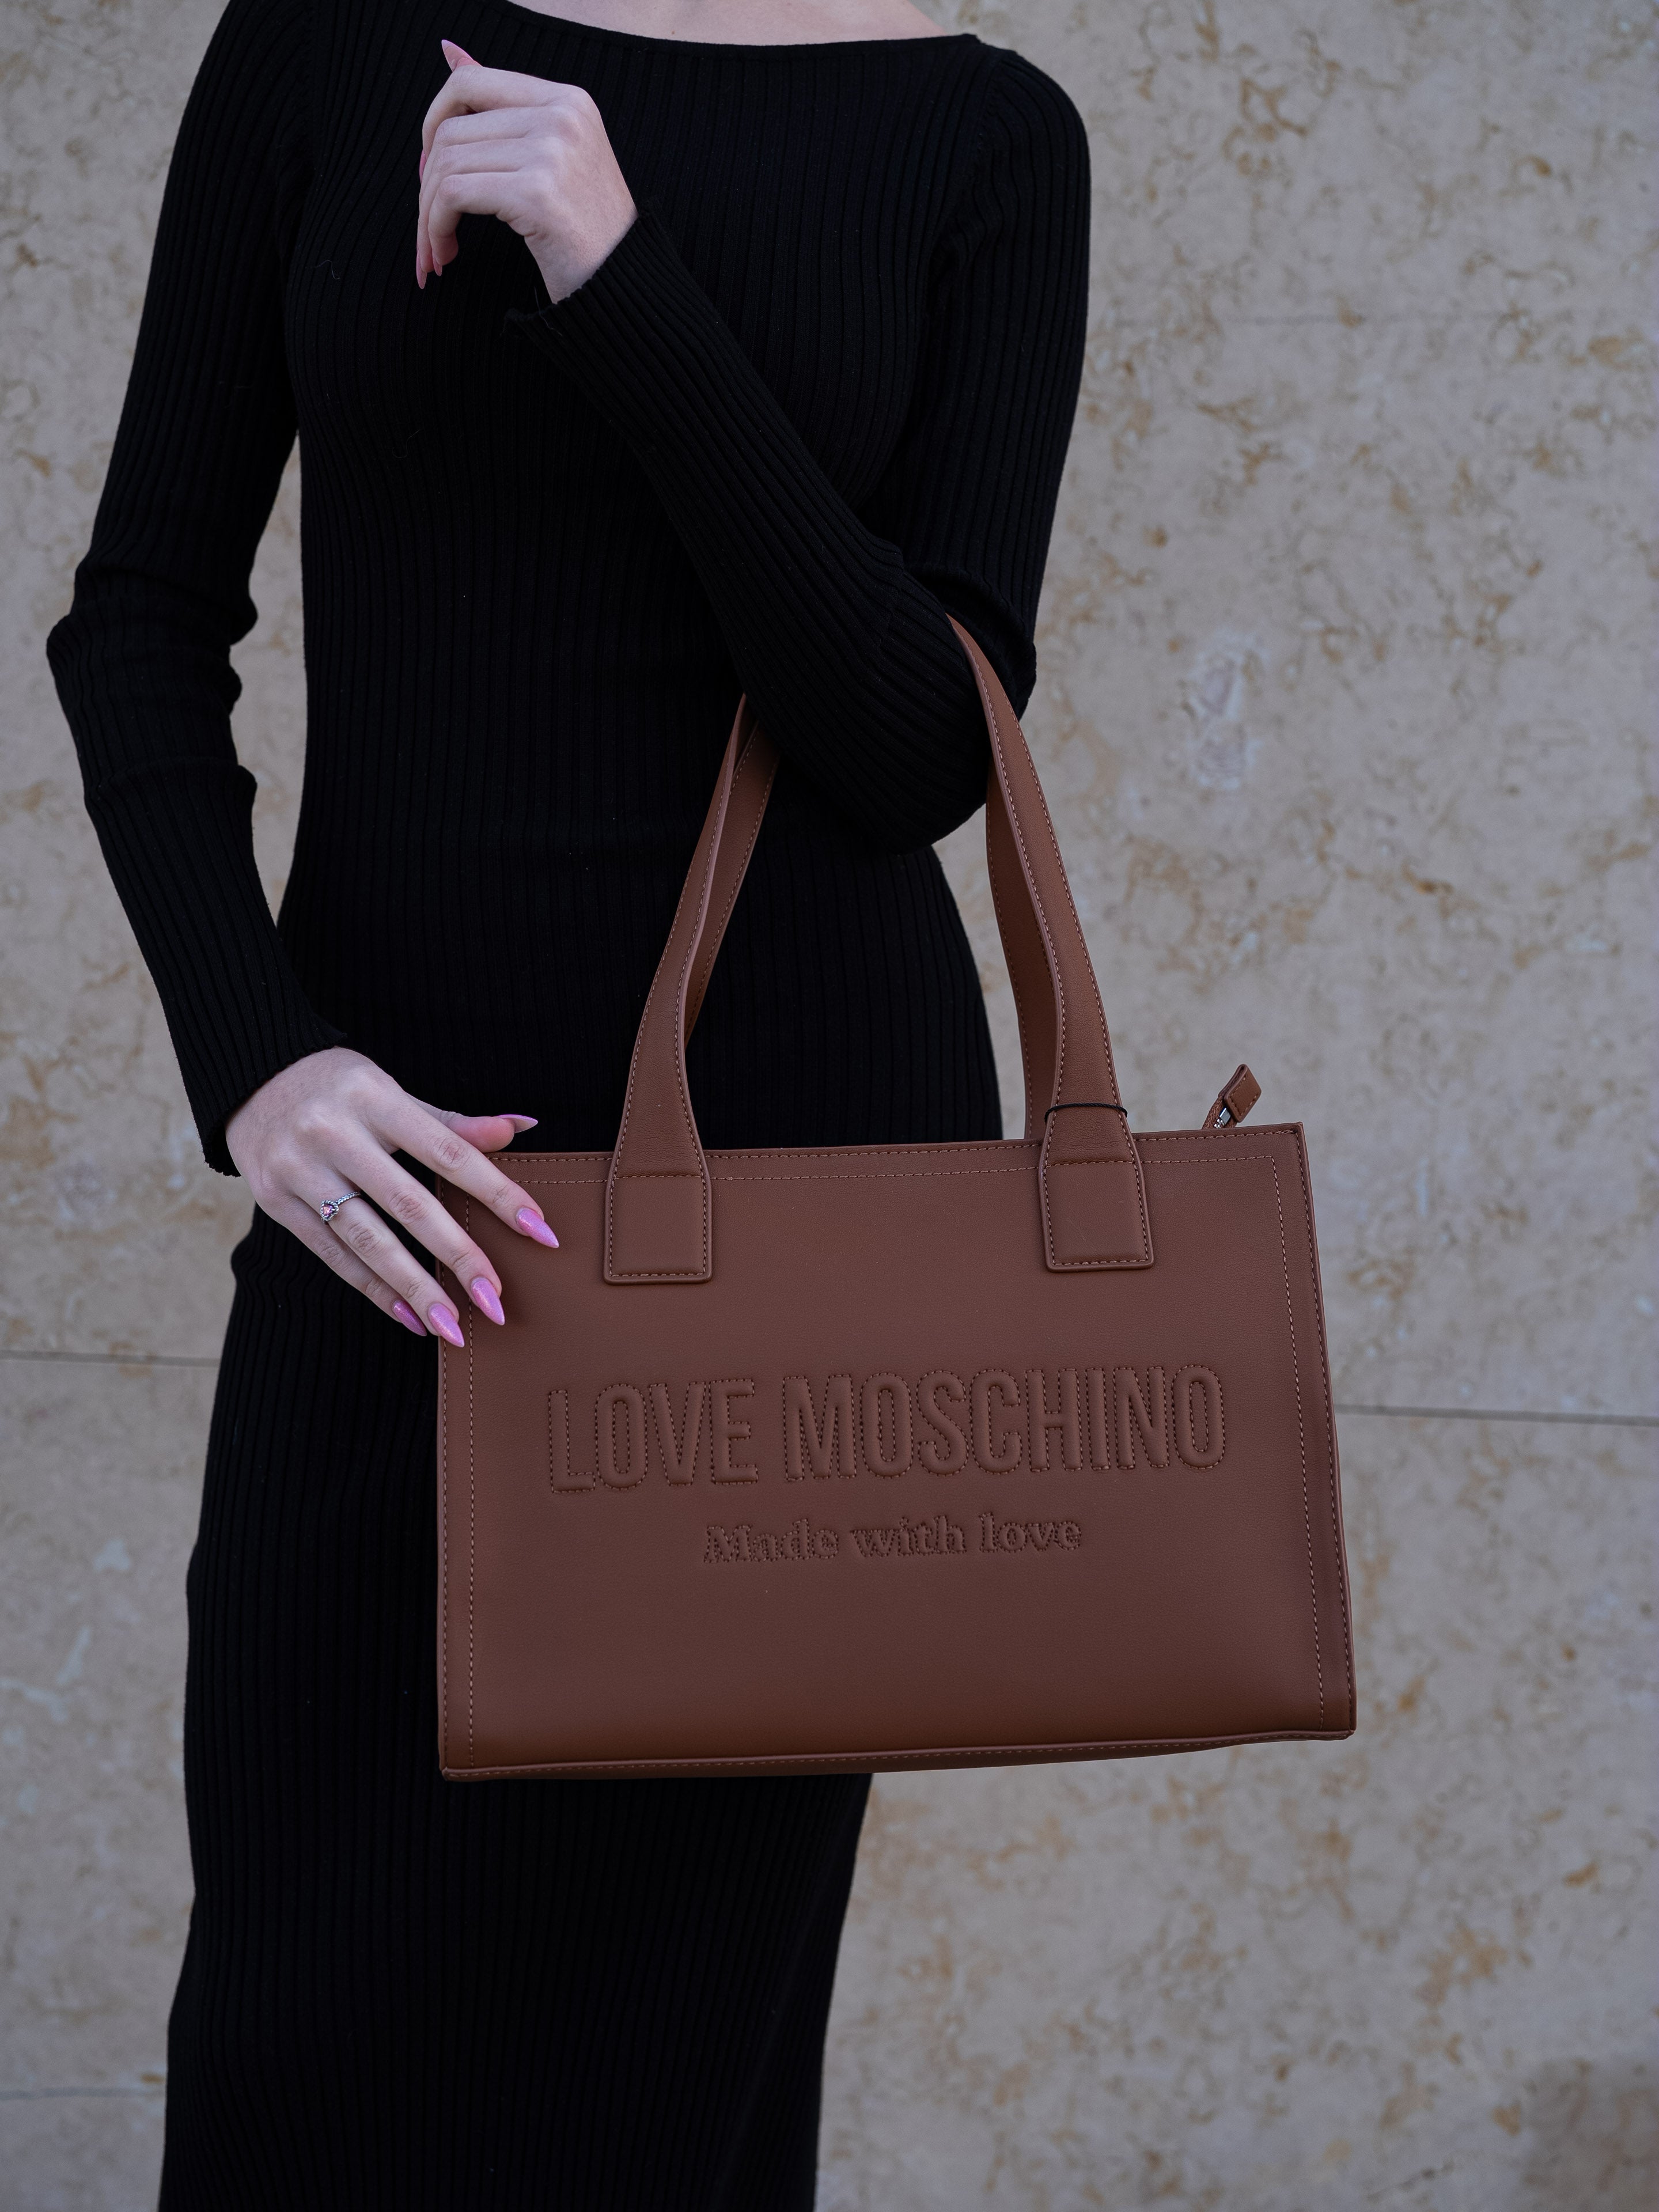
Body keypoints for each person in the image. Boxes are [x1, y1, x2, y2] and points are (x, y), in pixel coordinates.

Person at [47, 0, 1089, 2200]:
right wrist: (258, 1060)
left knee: (658, 2094)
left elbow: (918, 744)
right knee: (306, 2043)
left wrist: (620, 274)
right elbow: (136, 618)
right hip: (396, 1200)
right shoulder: (329, 48)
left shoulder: (983, 135)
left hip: (791, 1230)